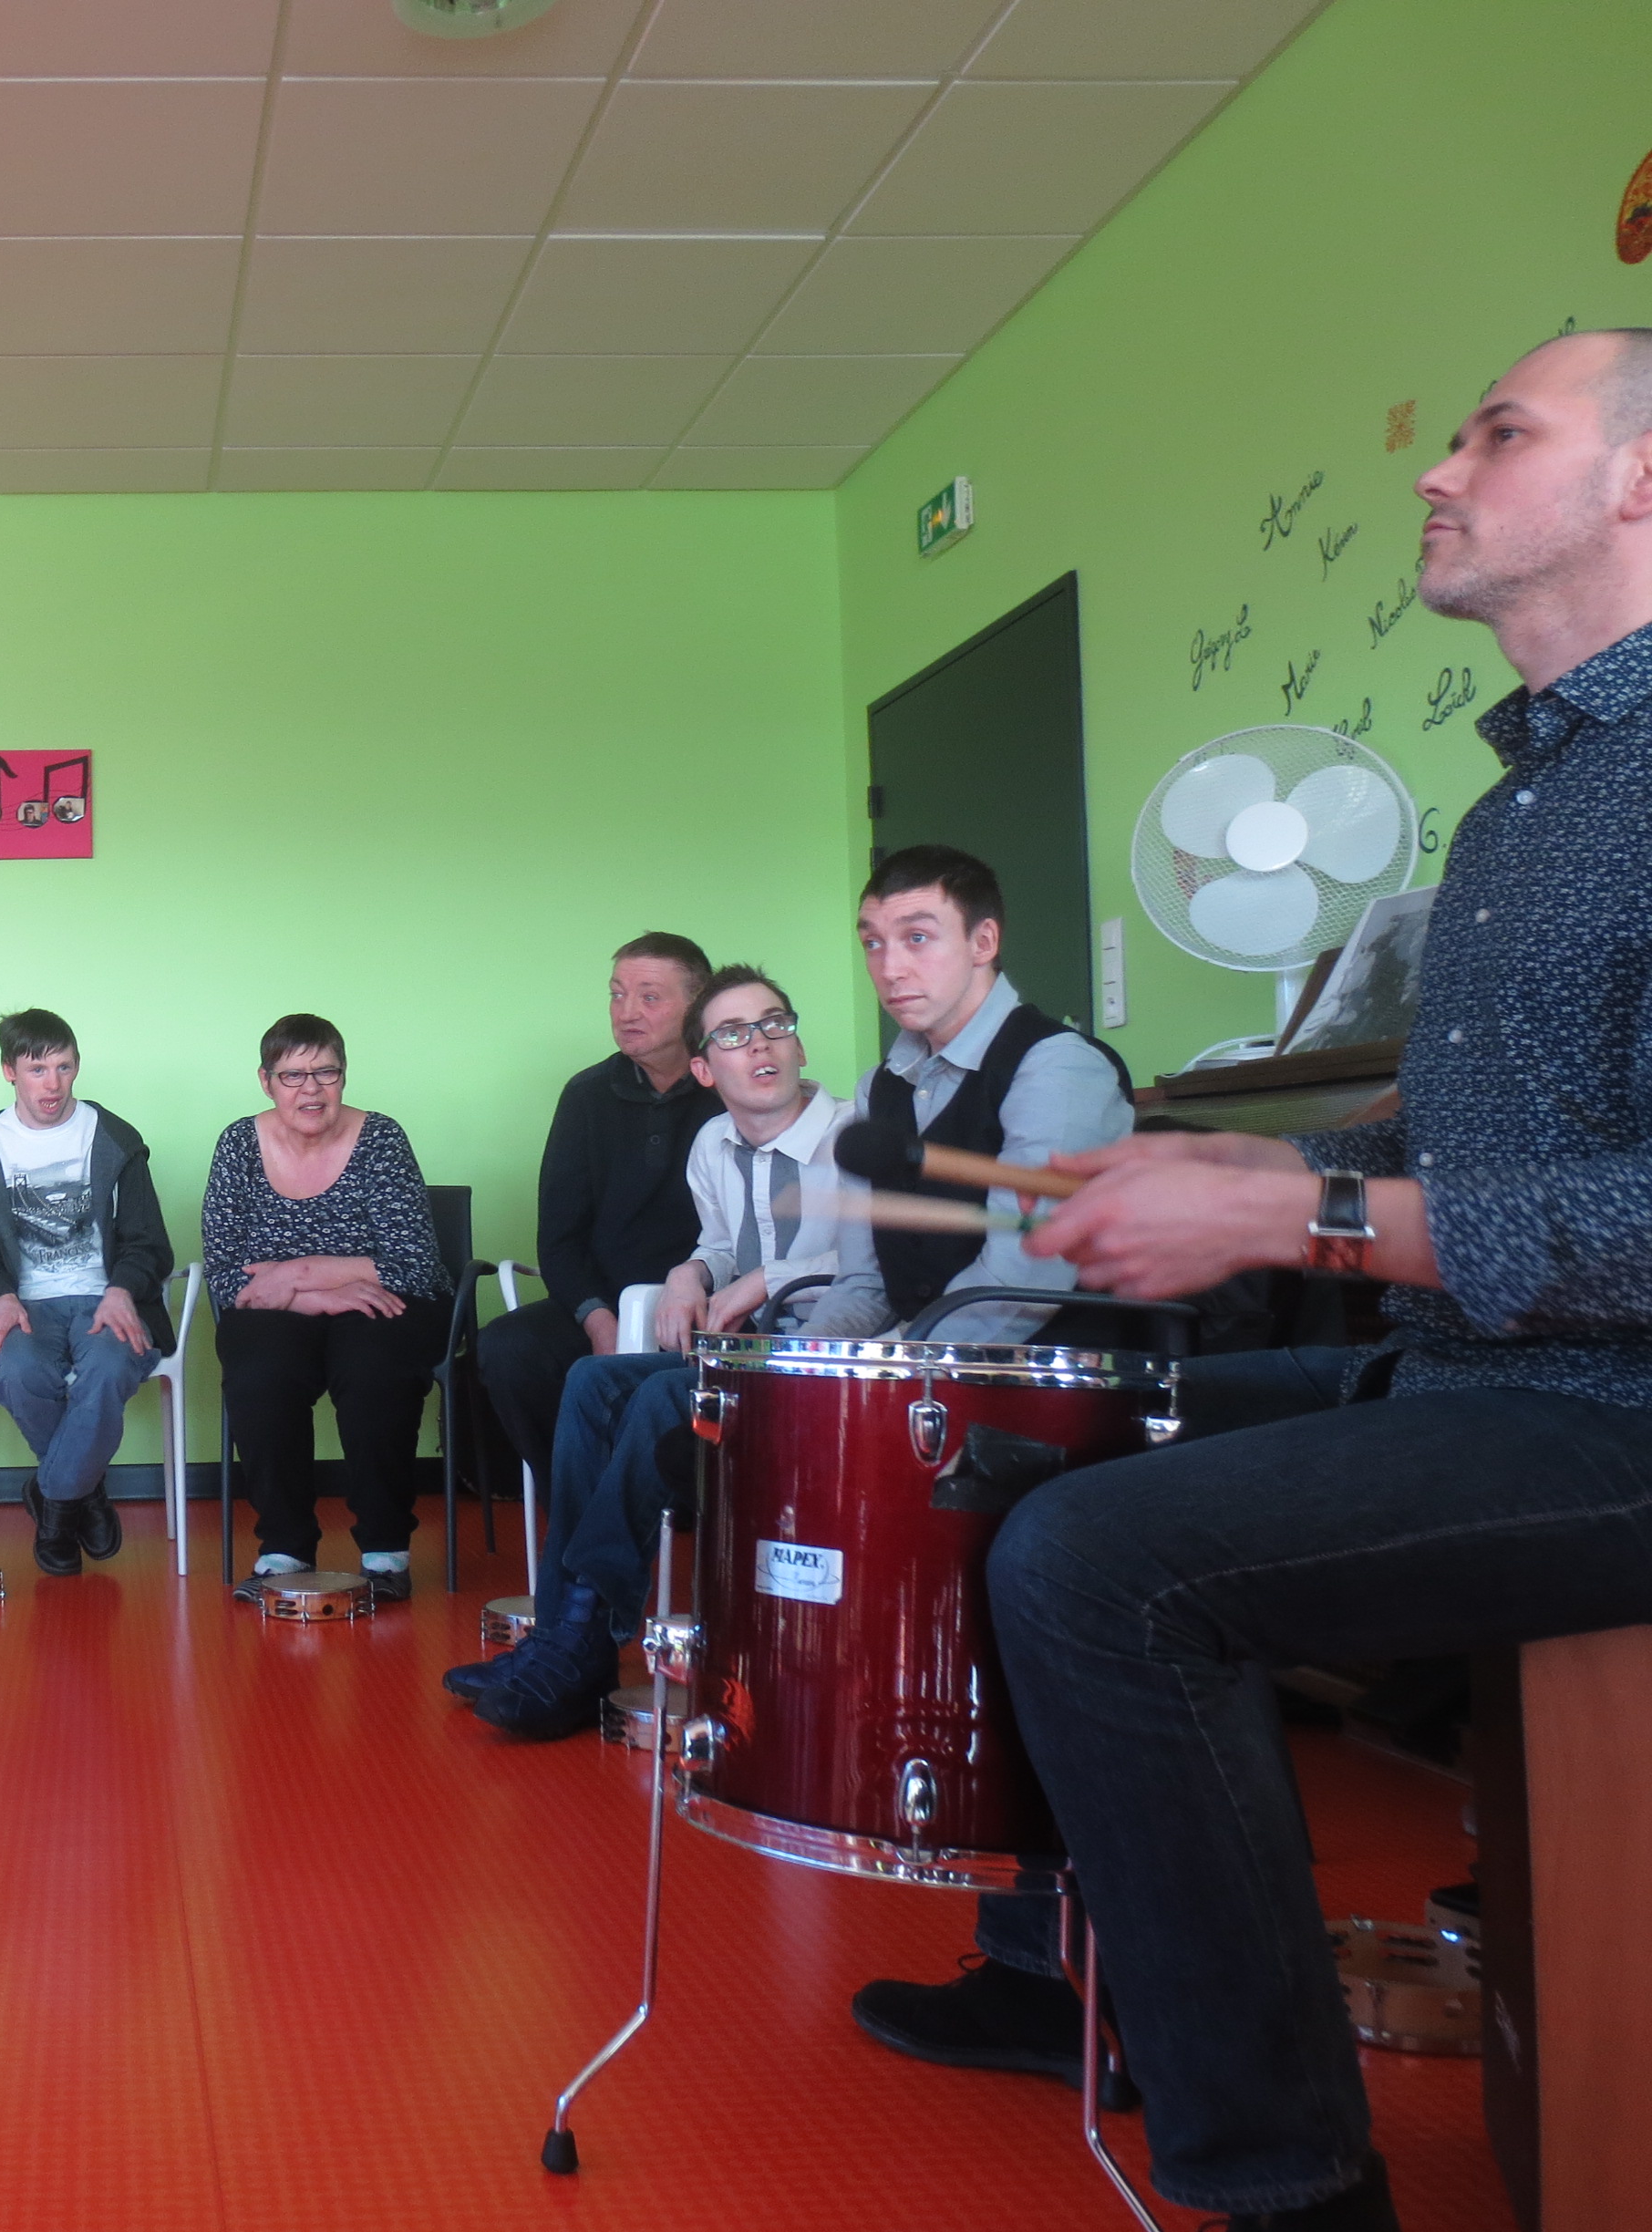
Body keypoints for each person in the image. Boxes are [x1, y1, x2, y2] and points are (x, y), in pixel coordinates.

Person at [850, 330, 1652, 2232]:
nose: (1436, 471)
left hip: (1612, 1415)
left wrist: (1305, 1226)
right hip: (1482, 1378)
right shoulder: (1522, 808)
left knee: (1096, 1568)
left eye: (1500, 432)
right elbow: (1489, 1150)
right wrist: (1263, 1164)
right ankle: (1068, 1980)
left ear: (1641, 482)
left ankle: (1291, 2197)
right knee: (1016, 1441)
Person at [461, 964, 852, 1738]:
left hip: (828, 1362)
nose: (761, 1045)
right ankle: (574, 1634)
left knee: (659, 1396)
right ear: (707, 1069)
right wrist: (688, 1276)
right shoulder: (712, 1143)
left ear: (799, 1044)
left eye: (775, 1024)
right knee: (592, 1380)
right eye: (735, 1035)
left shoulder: (853, 1135)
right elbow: (713, 1244)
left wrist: (762, 1283)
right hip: (747, 1359)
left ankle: (574, 1638)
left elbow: (878, 1262)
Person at [796, 844, 1131, 1346]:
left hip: (1047, 1378)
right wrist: (799, 1365)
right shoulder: (879, 1089)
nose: (890, 969)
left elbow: (1020, 1283)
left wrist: (895, 1364)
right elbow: (864, 1282)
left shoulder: (1057, 1067)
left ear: (984, 941)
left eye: (917, 938)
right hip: (923, 1372)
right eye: (873, 944)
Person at [204, 1014, 450, 1601]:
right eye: (293, 1076)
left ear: (344, 1076)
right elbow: (226, 1275)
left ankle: (385, 1550)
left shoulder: (382, 1137)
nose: (310, 1090)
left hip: (384, 1305)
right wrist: (322, 1288)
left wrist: (292, 1277)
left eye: (325, 1072)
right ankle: (284, 1549)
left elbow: (414, 1261)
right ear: (266, 1081)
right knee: (260, 1371)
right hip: (282, 1314)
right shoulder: (239, 1144)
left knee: (374, 1369)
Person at [473, 934, 719, 1512]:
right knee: (508, 1349)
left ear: (698, 1004)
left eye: (649, 996)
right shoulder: (587, 1094)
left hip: (705, 1308)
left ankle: (682, 1500)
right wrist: (597, 1321)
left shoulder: (729, 1091)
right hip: (603, 1303)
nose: (627, 1012)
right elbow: (558, 1237)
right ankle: (584, 1505)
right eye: (616, 995)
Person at [0, 1008, 175, 1578]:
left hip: (107, 1298)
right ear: (9, 1071)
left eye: (64, 1067)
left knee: (107, 1367)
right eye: (37, 1069)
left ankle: (54, 1506)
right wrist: (0, 1296)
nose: (52, 1084)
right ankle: (86, 1493)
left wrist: (124, 1289)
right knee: (18, 1371)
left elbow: (148, 1241)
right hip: (25, 1304)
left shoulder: (116, 1139)